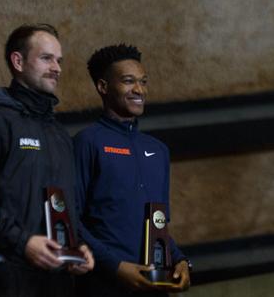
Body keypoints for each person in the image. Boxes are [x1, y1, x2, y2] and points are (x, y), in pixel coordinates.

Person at [0, 23, 94, 297]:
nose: (57, 68)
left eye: (59, 60)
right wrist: (24, 243)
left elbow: (68, 203)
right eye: (46, 58)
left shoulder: (58, 132)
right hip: (9, 275)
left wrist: (80, 244)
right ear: (17, 61)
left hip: (59, 279)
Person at [72, 44, 191, 296]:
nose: (140, 90)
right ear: (103, 86)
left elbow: (158, 227)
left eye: (143, 81)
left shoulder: (158, 150)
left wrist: (180, 261)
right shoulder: (87, 142)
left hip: (154, 287)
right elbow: (73, 222)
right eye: (129, 81)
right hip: (103, 286)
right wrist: (116, 268)